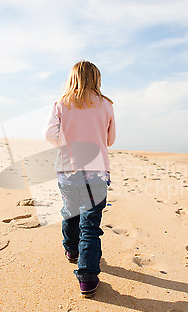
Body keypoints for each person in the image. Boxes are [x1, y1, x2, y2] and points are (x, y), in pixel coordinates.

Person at [43, 60, 116, 298]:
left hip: (68, 170)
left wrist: (69, 146)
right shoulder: (106, 105)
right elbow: (110, 139)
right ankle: (87, 279)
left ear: (72, 78)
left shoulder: (62, 103)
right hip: (95, 173)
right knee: (91, 226)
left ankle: (72, 251)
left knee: (70, 212)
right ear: (97, 79)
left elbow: (49, 135)